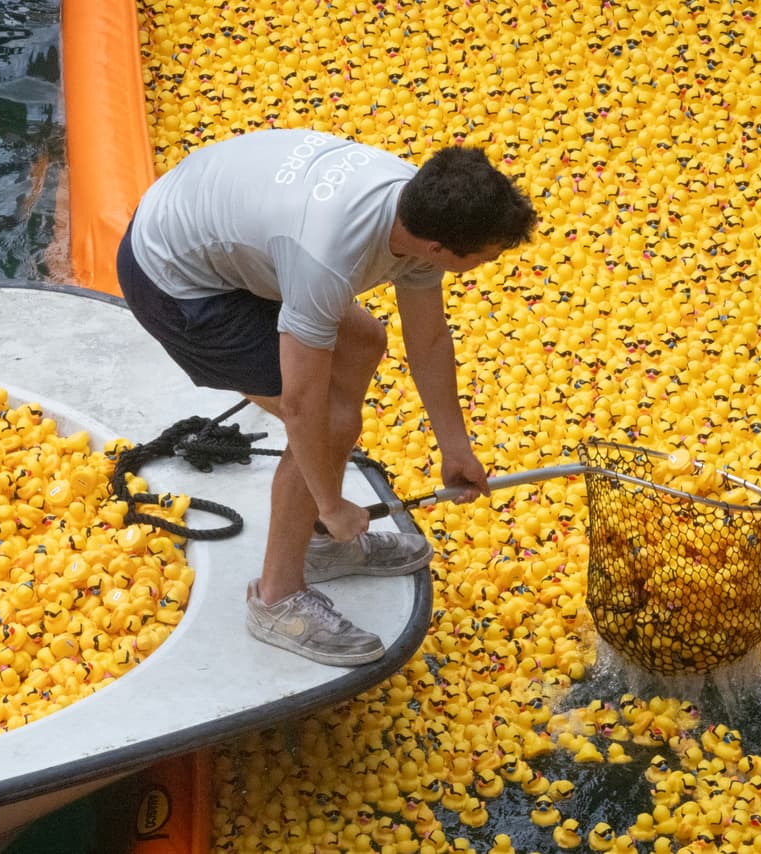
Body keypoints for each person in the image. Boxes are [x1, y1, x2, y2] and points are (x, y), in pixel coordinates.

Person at [116, 129, 537, 667]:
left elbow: (427, 340)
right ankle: (277, 597)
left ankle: (315, 536)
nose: (489, 262)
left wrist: (454, 446)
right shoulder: (328, 256)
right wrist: (336, 505)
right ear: (439, 249)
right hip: (176, 281)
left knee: (365, 340)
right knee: (329, 424)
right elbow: (299, 408)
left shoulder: (418, 208)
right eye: (485, 256)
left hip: (224, 233)